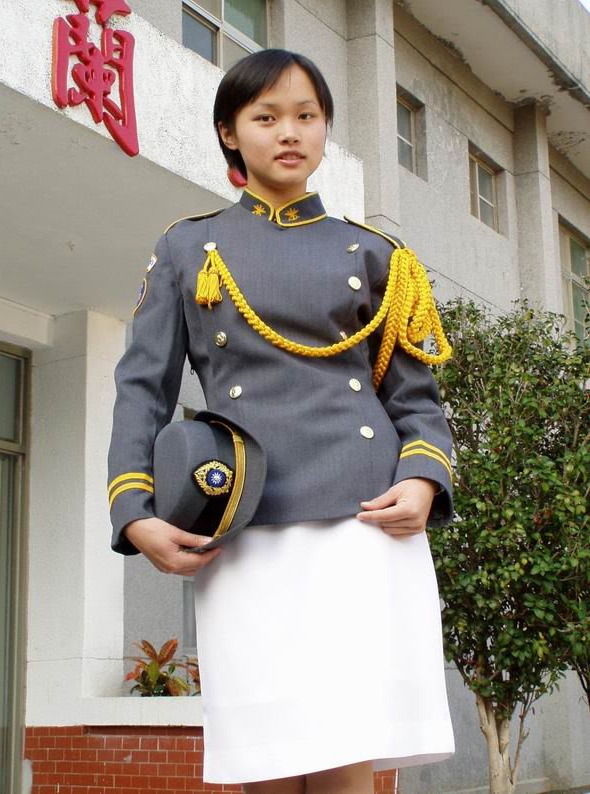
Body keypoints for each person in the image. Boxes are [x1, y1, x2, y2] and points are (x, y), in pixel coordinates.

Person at [107, 48, 456, 794]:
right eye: (265, 117)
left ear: (326, 128)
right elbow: (142, 389)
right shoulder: (186, 247)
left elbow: (416, 400)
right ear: (229, 132)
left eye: (307, 116)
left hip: (363, 520)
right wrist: (134, 511)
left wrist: (424, 479)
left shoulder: (378, 254)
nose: (289, 132)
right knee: (264, 752)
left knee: (345, 750)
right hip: (243, 518)